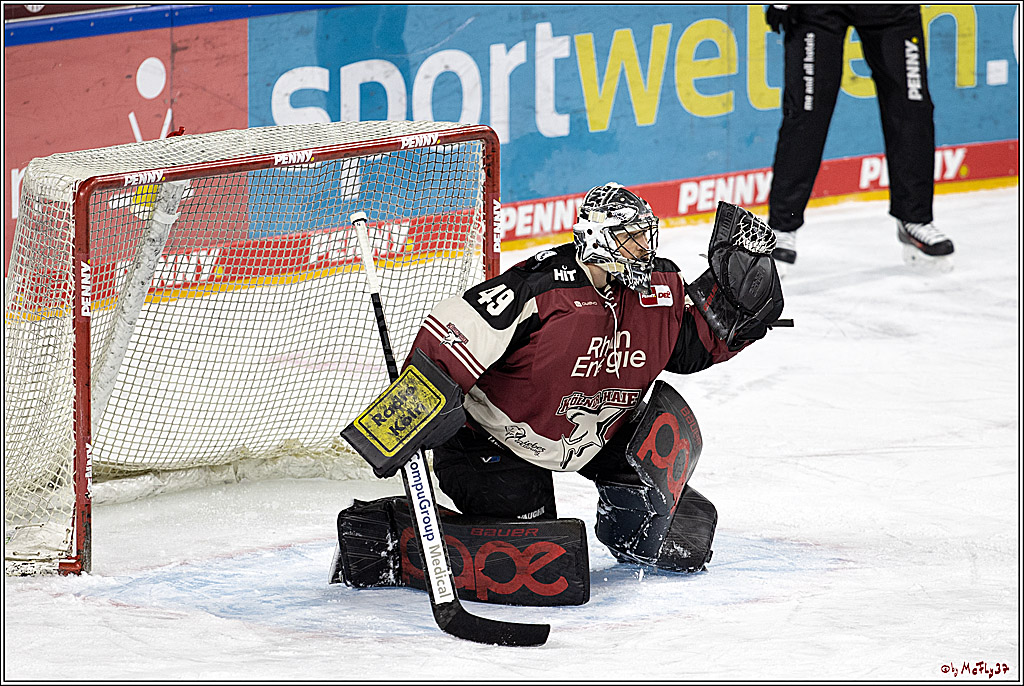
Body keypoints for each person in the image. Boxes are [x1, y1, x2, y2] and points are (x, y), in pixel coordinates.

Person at [400, 182, 785, 571]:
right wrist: (405, 418)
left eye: (646, 235)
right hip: (492, 438)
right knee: (538, 560)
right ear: (598, 238)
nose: (645, 247)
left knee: (667, 489)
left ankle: (629, 531)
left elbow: (689, 349)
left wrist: (738, 311)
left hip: (594, 430)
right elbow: (448, 338)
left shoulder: (659, 286)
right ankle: (402, 536)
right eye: (632, 237)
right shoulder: (539, 287)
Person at [765, 4, 954, 273]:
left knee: (912, 107)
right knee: (807, 112)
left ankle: (915, 218)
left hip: (892, 11)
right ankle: (782, 226)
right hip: (817, 10)